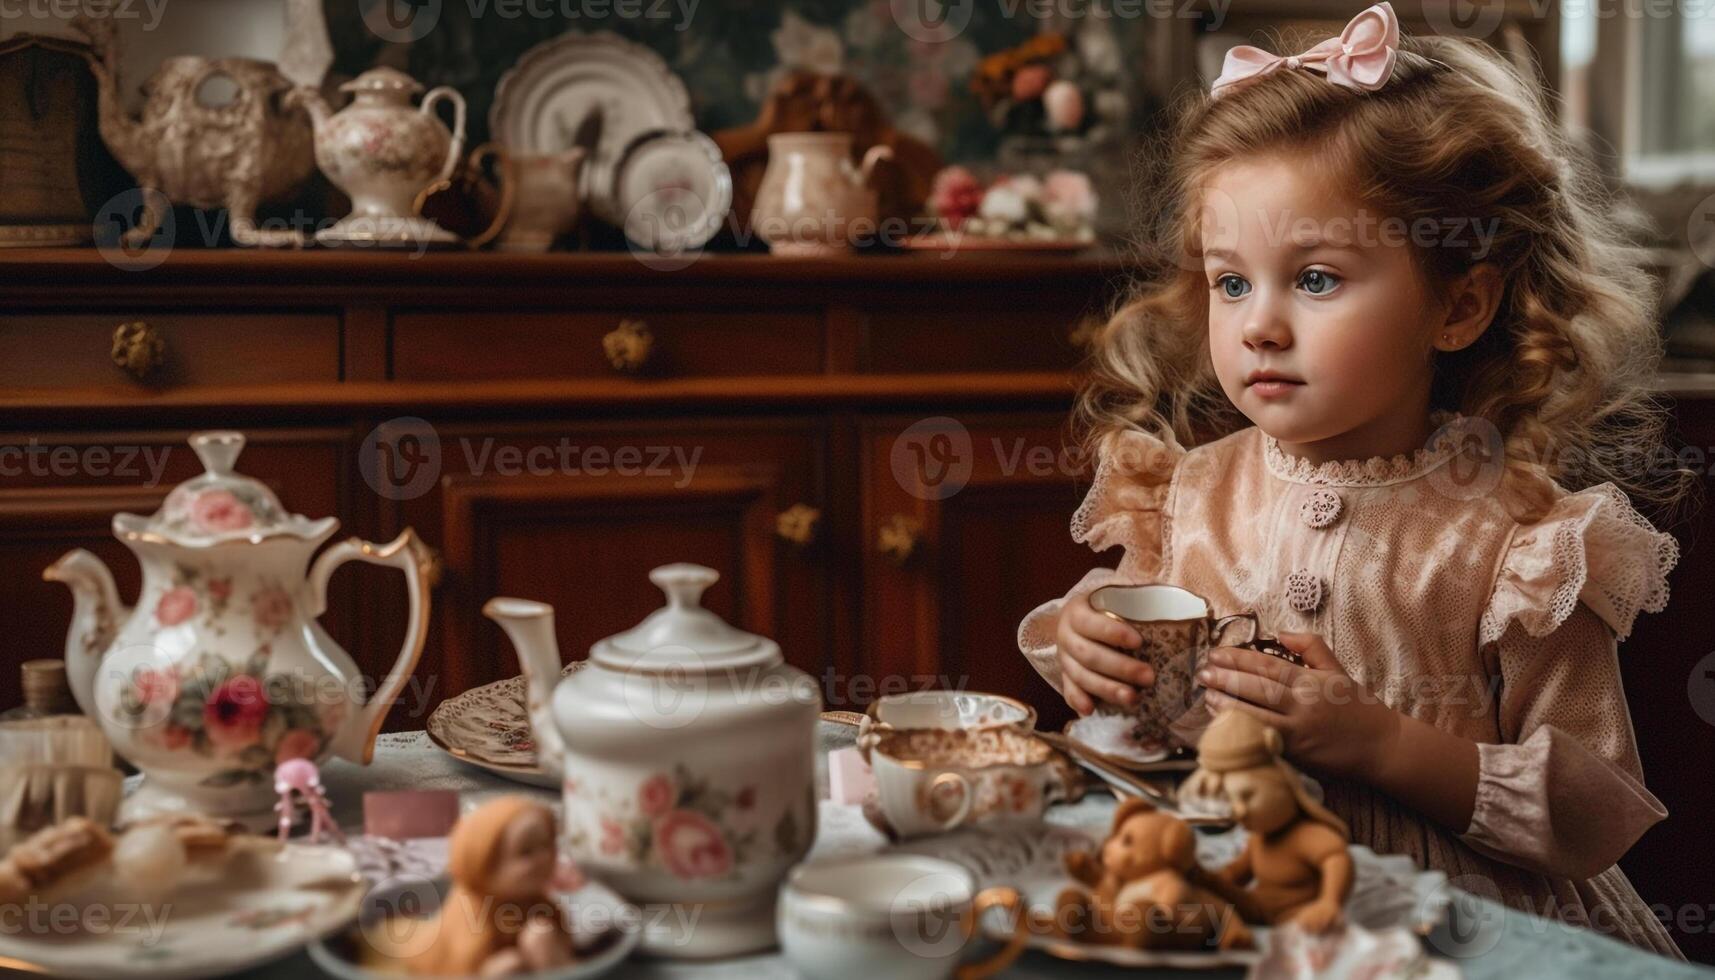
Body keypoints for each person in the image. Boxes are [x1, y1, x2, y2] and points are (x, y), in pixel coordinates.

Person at [1018, 2, 1693, 956]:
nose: (1257, 325)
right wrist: (1090, 647)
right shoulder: (1187, 495)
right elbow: (1154, 711)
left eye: (1318, 279)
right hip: (1232, 903)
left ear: (1457, 305)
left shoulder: (1524, 540)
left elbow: (1587, 814)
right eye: (1230, 281)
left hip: (1454, 931)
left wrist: (1377, 742)